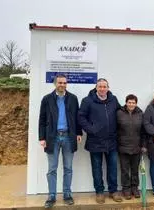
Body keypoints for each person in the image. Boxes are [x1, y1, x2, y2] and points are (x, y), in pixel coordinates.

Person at [38, 74, 82, 208]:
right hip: (53, 137)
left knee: (68, 168)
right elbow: (42, 119)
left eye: (64, 83)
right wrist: (42, 137)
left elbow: (77, 117)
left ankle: (67, 194)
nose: (62, 85)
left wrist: (79, 132)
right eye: (59, 83)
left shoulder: (73, 99)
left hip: (69, 136)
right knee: (52, 169)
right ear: (55, 84)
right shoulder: (47, 99)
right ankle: (51, 196)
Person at [78, 78, 122, 204]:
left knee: (112, 168)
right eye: (100, 86)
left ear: (108, 88)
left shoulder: (113, 100)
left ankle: (113, 191)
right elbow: (81, 117)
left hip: (112, 140)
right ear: (96, 87)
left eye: (105, 86)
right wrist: (91, 129)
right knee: (96, 168)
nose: (102, 89)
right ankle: (99, 192)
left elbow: (120, 114)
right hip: (95, 141)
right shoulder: (87, 101)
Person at [117, 94, 146, 200]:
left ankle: (134, 188)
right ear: (126, 102)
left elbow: (143, 131)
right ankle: (126, 189)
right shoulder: (119, 113)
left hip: (136, 147)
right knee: (124, 170)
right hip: (123, 147)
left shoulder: (140, 113)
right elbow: (116, 130)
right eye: (129, 102)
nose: (131, 104)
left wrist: (143, 145)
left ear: (136, 103)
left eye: (133, 102)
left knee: (135, 170)